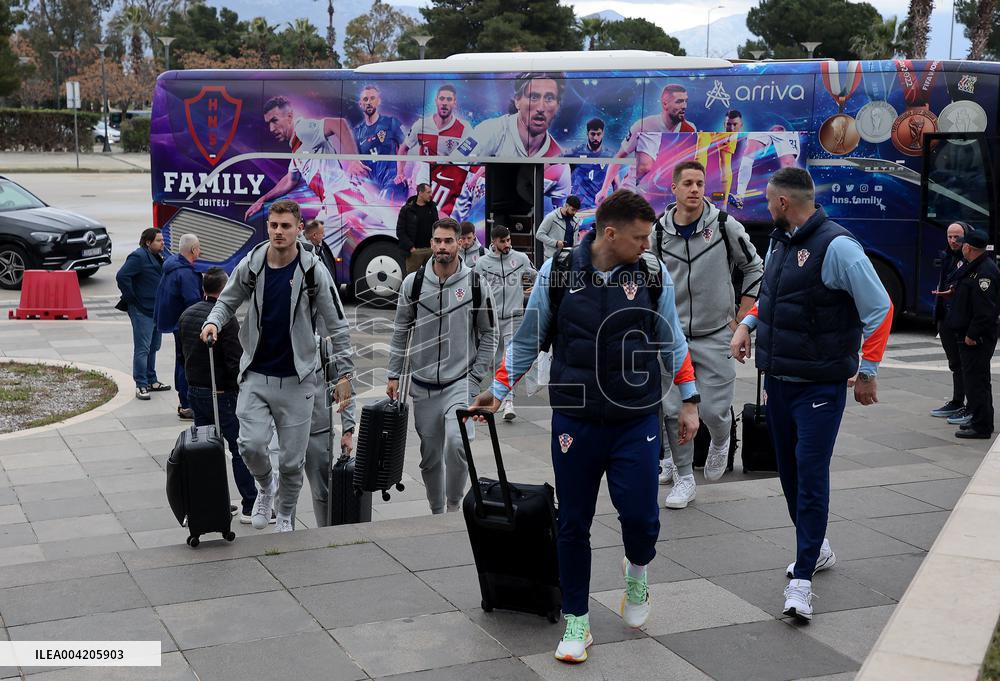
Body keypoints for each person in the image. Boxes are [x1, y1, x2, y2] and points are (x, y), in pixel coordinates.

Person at [471, 190, 700, 664]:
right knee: (572, 522)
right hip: (575, 420)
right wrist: (499, 387)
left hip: (636, 419)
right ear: (610, 234)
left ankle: (636, 571)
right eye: (639, 237)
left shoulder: (652, 273)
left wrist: (690, 401)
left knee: (641, 518)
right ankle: (577, 620)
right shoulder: (558, 272)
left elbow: (671, 339)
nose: (647, 244)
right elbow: (530, 336)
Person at [730, 167, 893, 622]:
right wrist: (746, 325)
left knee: (810, 472)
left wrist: (868, 371)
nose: (766, 207)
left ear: (784, 203)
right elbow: (773, 296)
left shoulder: (838, 247)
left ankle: (802, 581)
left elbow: (880, 308)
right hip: (780, 380)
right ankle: (816, 548)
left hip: (820, 386)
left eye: (768, 200)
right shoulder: (780, 241)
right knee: (788, 473)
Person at [201, 199, 354, 534]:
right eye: (274, 225)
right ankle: (265, 488)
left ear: (300, 228)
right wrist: (213, 321)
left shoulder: (314, 271)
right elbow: (227, 299)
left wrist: (343, 375)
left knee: (291, 461)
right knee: (250, 444)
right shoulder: (253, 263)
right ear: (267, 226)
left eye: (286, 226)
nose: (279, 232)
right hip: (256, 373)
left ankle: (285, 514)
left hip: (299, 380)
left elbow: (337, 325)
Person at [655, 160, 763, 508]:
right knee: (673, 410)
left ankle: (721, 440)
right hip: (674, 337)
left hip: (716, 333)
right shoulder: (658, 233)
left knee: (715, 411)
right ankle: (685, 477)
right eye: (687, 183)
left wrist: (743, 320)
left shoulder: (722, 225)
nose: (695, 189)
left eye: (700, 183)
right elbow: (650, 280)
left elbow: (753, 267)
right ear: (674, 188)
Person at [386, 217, 496, 515]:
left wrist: (474, 380)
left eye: (449, 241)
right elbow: (400, 330)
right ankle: (436, 511)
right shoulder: (414, 283)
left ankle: (453, 504)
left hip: (459, 383)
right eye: (438, 240)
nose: (442, 246)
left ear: (460, 242)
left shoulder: (476, 283)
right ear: (431, 243)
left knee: (457, 444)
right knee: (430, 457)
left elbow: (489, 333)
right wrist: (393, 373)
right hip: (422, 387)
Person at [178, 267, 262, 524]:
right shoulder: (225, 319)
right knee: (239, 448)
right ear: (224, 290)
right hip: (221, 393)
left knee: (206, 449)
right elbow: (234, 361)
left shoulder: (187, 315)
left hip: (196, 390)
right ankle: (250, 504)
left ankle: (213, 502)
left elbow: (182, 356)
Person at [245, 96, 365, 236]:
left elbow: (339, 124)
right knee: (314, 248)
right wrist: (263, 199)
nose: (271, 128)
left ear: (289, 117)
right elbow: (290, 179)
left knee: (308, 245)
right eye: (268, 123)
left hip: (339, 201)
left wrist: (354, 160)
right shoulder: (297, 150)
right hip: (341, 202)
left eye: (275, 120)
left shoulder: (302, 130)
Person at [450, 73, 571, 206]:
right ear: (517, 101)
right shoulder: (491, 131)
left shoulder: (560, 165)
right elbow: (452, 168)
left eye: (549, 98)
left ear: (558, 106)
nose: (541, 108)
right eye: (534, 97)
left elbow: (558, 213)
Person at [475, 224, 537, 421]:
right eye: (503, 241)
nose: (507, 244)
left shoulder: (521, 259)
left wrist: (534, 292)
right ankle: (498, 398)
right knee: (496, 360)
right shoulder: (483, 263)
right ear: (493, 242)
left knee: (508, 359)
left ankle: (509, 402)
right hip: (491, 319)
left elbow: (537, 277)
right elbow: (475, 289)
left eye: (509, 240)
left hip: (514, 316)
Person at [596, 84, 697, 203]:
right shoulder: (644, 125)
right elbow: (619, 157)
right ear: (665, 104)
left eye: (686, 101)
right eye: (679, 101)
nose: (684, 106)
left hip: (662, 195)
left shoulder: (689, 129)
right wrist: (604, 189)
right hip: (632, 193)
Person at [945, 228, 1000, 439]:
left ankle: (982, 426)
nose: (961, 247)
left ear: (969, 247)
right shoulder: (974, 266)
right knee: (976, 381)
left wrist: (972, 334)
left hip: (976, 338)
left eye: (964, 244)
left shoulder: (985, 272)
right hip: (968, 334)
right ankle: (978, 419)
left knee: (977, 382)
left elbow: (985, 311)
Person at [395, 83, 471, 216]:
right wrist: (400, 172)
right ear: (436, 101)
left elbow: (473, 152)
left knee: (441, 220)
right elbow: (403, 149)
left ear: (454, 103)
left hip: (445, 183)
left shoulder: (464, 128)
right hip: (423, 177)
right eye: (442, 99)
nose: (445, 103)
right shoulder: (421, 125)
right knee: (418, 216)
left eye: (449, 99)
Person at [154, 233, 203, 420]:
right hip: (186, 327)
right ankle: (187, 405)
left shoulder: (173, 265)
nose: (200, 250)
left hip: (176, 324)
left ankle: (184, 402)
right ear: (193, 250)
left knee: (181, 362)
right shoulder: (186, 273)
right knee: (188, 364)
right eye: (199, 247)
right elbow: (194, 303)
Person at [117, 228, 170, 400]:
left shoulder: (158, 256)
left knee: (154, 346)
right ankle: (141, 384)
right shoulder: (138, 256)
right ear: (148, 242)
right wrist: (132, 298)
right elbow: (122, 276)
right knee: (143, 348)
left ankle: (151, 379)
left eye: (162, 240)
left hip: (156, 309)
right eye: (159, 240)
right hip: (142, 310)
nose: (163, 243)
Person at [929, 221, 970, 420]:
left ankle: (968, 405)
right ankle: (956, 401)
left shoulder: (970, 258)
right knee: (954, 362)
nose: (953, 241)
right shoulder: (947, 256)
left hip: (961, 319)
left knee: (965, 363)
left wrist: (953, 292)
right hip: (946, 316)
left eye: (957, 237)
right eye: (950, 236)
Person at [354, 84, 408, 203]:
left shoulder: (391, 123)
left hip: (393, 181)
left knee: (386, 206)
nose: (369, 102)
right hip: (372, 188)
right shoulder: (357, 132)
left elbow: (405, 147)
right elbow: (357, 162)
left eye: (372, 98)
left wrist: (401, 172)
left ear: (378, 101)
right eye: (365, 99)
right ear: (360, 104)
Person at [730, 125, 801, 209]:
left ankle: (792, 200)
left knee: (788, 163)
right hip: (763, 121)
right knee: (748, 155)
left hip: (783, 124)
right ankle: (740, 196)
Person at [569, 118, 613, 209]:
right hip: (578, 208)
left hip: (600, 208)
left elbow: (616, 183)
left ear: (603, 134)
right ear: (587, 134)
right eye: (593, 134)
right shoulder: (575, 152)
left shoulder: (610, 156)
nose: (596, 138)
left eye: (598, 134)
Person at [397, 183, 439, 276]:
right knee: (411, 279)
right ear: (420, 193)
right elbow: (400, 231)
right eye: (428, 192)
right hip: (415, 252)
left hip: (430, 250)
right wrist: (411, 248)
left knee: (433, 278)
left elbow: (437, 226)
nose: (431, 195)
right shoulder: (407, 209)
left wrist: (435, 245)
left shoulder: (432, 207)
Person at [536, 196, 582, 261]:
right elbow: (539, 235)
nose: (574, 213)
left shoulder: (575, 221)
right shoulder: (551, 217)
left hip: (569, 259)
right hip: (552, 259)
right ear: (566, 206)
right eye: (573, 210)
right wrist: (556, 243)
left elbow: (574, 241)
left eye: (576, 211)